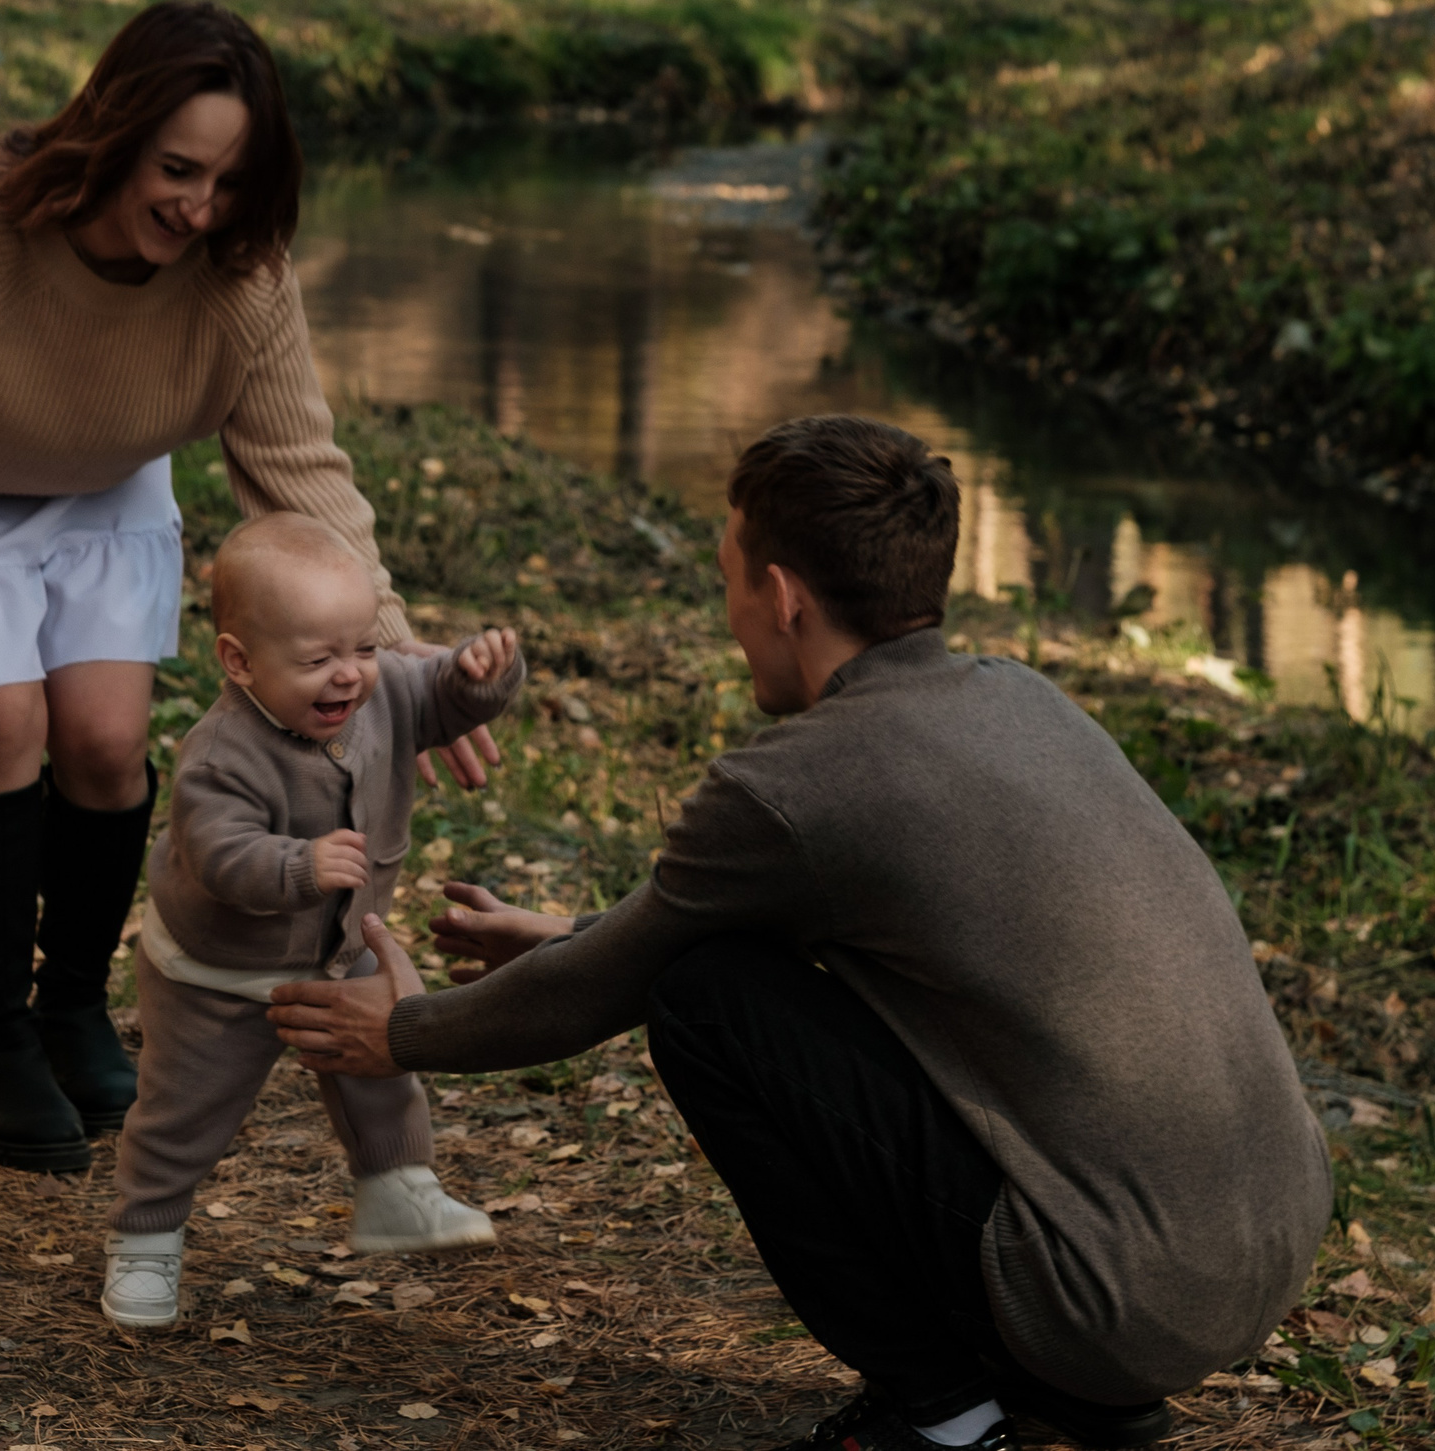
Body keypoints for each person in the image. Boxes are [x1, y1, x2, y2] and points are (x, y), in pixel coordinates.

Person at [267, 415, 1333, 1451]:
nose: (727, 607)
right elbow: (783, 932)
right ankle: (1064, 1380)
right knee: (707, 970)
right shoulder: (1024, 698)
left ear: (781, 598)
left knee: (704, 1003)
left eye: (729, 575)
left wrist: (401, 1032)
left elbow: (618, 984)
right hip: (1260, 1248)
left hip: (1114, 1298)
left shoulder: (794, 785)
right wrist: (570, 931)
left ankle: (942, 1409)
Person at [0, 0, 500, 1177]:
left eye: (229, 182)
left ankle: (70, 1011)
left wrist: (395, 652)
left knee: (104, 740)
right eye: (177, 170)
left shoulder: (241, 276)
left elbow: (299, 476)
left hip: (103, 478)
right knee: (1, 719)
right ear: (112, 130)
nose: (199, 208)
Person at [100, 514, 522, 1328]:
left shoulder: (384, 690)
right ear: (239, 661)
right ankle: (145, 1239)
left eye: (362, 648)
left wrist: (479, 679)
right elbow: (219, 852)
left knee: (379, 1069)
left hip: (340, 949)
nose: (349, 677)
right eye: (317, 659)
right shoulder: (222, 751)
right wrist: (298, 864)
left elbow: (437, 700)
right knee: (185, 1109)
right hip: (218, 972)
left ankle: (395, 1190)